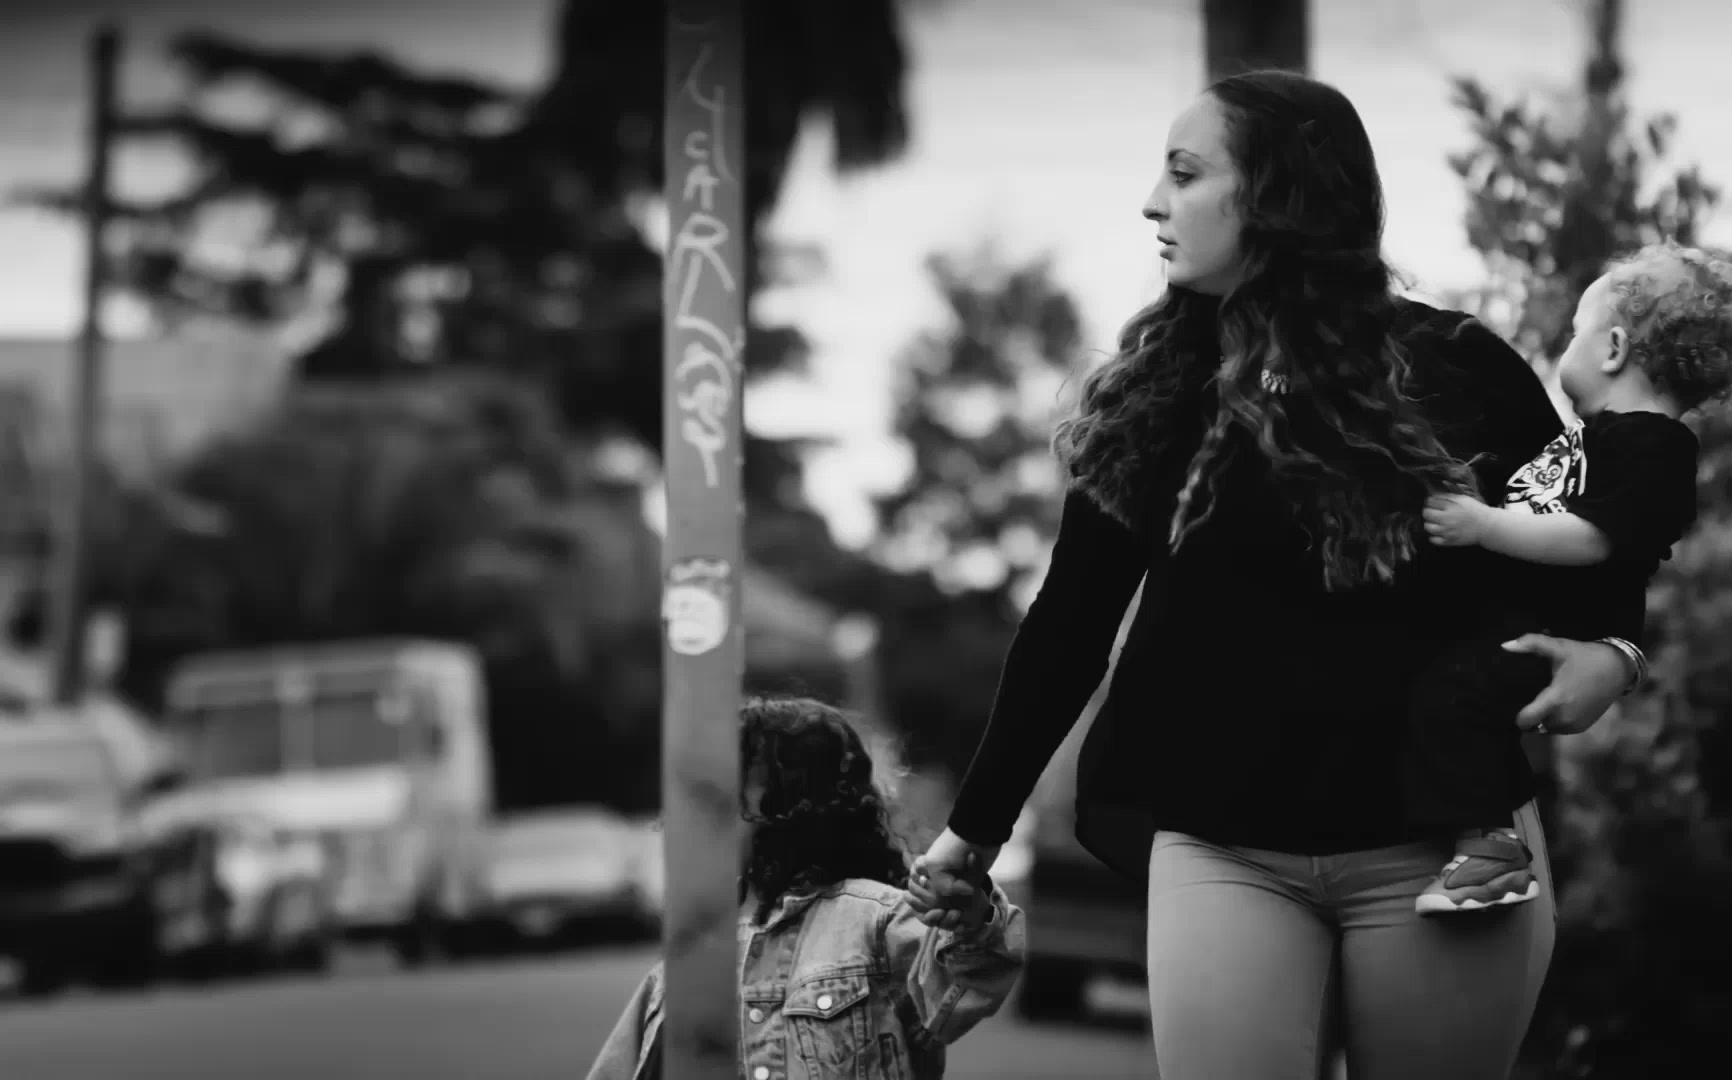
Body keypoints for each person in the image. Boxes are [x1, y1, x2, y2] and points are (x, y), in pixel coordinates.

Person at [905, 68, 1651, 1079]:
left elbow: (1597, 525)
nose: (1153, 203)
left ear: (1276, 195)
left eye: (1185, 174)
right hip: (1224, 850)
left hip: (1446, 851)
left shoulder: (1457, 369)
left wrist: (1614, 649)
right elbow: (1069, 625)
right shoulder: (1156, 395)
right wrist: (974, 830)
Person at [1408, 241, 1732, 916]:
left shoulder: (1655, 445)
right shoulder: (1595, 438)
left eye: (1575, 333)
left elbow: (1593, 538)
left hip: (1555, 634)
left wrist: (1484, 526)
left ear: (1614, 348)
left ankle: (1491, 852)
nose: (1568, 345)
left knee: (1454, 697)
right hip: (1521, 619)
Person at [585, 696, 1025, 1080]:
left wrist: (973, 917)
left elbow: (969, 985)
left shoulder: (877, 920)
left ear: (794, 804)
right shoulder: (688, 959)